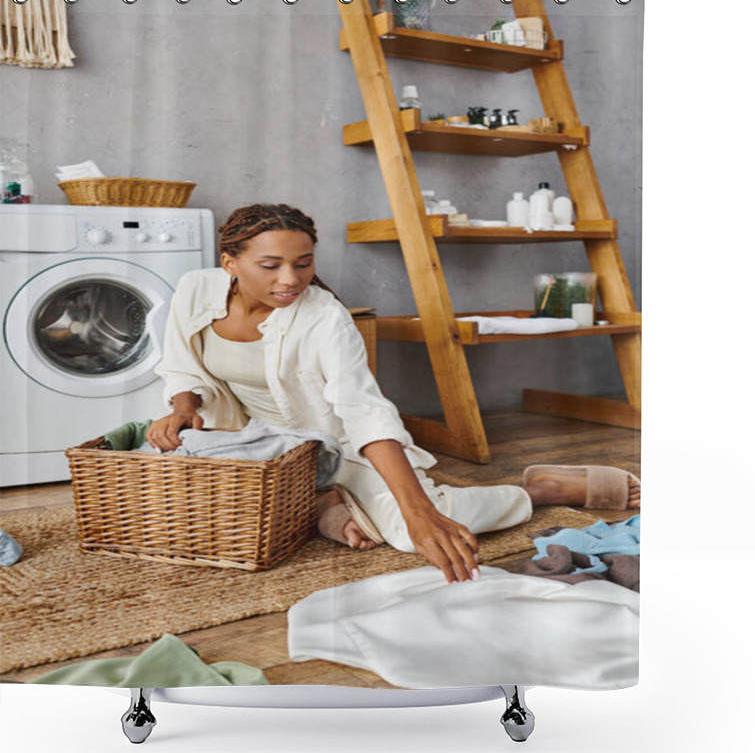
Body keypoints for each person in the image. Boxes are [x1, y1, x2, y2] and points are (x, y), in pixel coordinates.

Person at [147, 204, 640, 584]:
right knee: (185, 505)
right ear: (230, 262)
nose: (290, 279)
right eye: (271, 265)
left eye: (303, 263)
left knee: (411, 532)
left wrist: (421, 513)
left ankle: (539, 489)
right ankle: (325, 507)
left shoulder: (324, 317)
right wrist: (184, 407)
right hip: (252, 445)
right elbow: (180, 365)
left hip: (334, 447)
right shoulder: (196, 289)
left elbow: (363, 412)